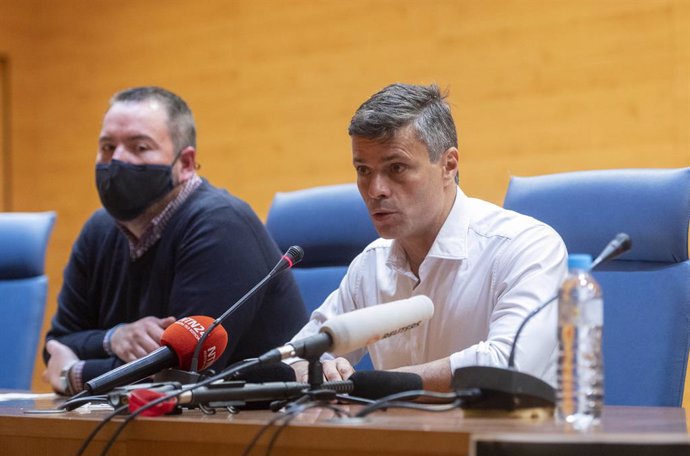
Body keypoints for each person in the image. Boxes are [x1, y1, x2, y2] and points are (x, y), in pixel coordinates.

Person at [289, 83, 567, 391]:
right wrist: (313, 369)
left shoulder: (525, 247)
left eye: (396, 167)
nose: (375, 189)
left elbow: (509, 366)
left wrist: (379, 384)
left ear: (448, 165)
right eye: (363, 170)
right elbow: (297, 355)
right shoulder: (371, 265)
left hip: (501, 436)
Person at [43, 86, 307, 395]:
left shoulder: (221, 225)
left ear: (185, 164)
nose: (116, 161)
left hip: (257, 426)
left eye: (139, 147)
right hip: (146, 426)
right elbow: (56, 344)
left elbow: (181, 374)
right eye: (106, 147)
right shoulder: (98, 230)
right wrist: (113, 338)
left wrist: (73, 373)